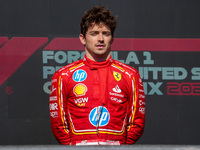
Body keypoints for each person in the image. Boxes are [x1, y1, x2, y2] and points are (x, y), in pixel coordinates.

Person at [49, 6, 145, 145]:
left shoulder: (130, 75)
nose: (100, 39)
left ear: (112, 38)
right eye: (94, 33)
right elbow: (58, 123)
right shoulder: (64, 76)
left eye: (105, 33)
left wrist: (121, 147)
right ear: (82, 38)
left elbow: (137, 122)